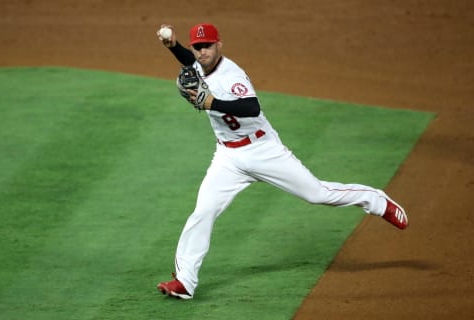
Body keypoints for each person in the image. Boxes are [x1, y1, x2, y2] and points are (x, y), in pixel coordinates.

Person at [156, 23, 408, 300]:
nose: (203, 52)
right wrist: (173, 47)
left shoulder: (232, 74)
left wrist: (212, 103)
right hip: (228, 157)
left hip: (264, 150)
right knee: (203, 211)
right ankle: (185, 281)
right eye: (198, 47)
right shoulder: (198, 64)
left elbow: (252, 107)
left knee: (317, 194)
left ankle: (376, 200)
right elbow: (191, 61)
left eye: (208, 46)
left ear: (220, 45)